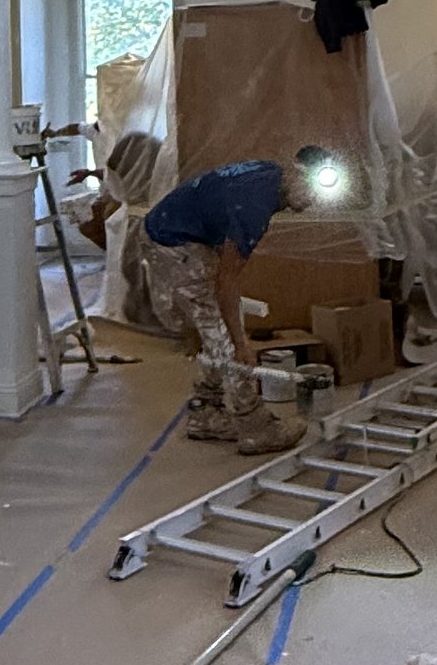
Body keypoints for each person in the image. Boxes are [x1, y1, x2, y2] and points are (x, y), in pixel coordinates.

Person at [142, 145, 342, 455]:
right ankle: (255, 427)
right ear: (295, 172)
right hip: (171, 241)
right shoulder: (253, 208)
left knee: (221, 329)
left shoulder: (272, 173)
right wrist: (241, 344)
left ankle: (205, 413)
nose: (314, 200)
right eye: (312, 190)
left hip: (181, 231)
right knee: (224, 335)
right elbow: (226, 282)